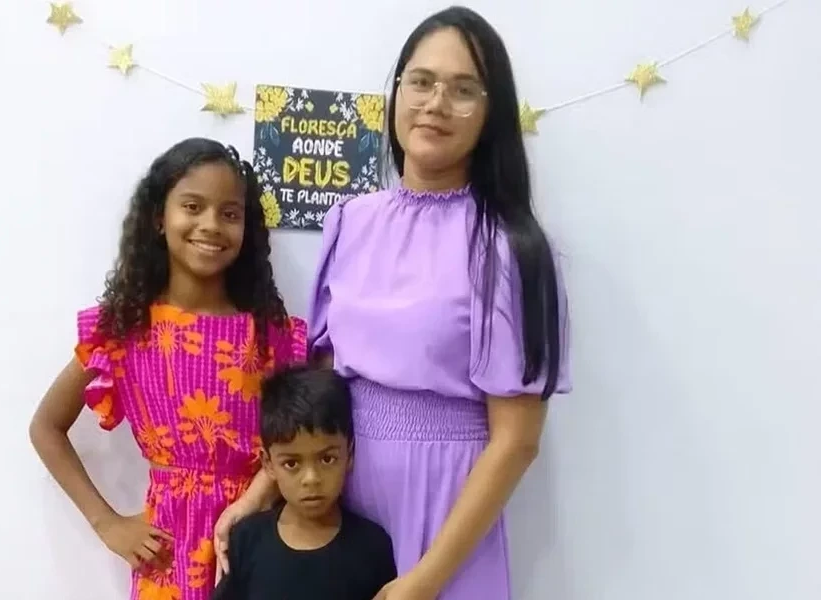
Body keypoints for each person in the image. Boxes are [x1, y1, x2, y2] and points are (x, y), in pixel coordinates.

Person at [214, 6, 574, 600]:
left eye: (463, 90)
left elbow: (516, 441)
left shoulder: (512, 248)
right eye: (421, 81)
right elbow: (320, 388)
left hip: (446, 512)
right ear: (397, 91)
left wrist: (424, 581)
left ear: (491, 113)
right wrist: (260, 493)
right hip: (339, 502)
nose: (436, 104)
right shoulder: (350, 222)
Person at [29, 137, 307, 600]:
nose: (211, 224)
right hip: (169, 553)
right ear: (159, 217)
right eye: (192, 207)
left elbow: (297, 439)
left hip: (258, 537)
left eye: (230, 213)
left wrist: (255, 496)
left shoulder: (271, 336)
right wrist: (107, 523)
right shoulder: (123, 330)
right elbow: (46, 427)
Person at [212, 365, 396, 600]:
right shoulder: (247, 540)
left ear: (349, 455)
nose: (311, 479)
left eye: (327, 459)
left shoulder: (372, 547)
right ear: (268, 464)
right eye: (292, 463)